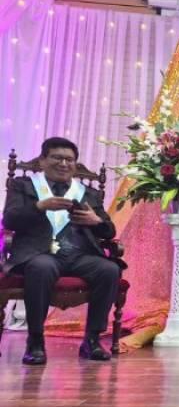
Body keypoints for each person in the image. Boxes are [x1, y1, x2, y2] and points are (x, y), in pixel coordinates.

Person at [2, 137, 123, 365]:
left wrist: (96, 221)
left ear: (75, 164)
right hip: (39, 252)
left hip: (79, 255)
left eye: (69, 160)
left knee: (109, 269)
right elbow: (9, 219)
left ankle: (92, 341)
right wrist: (39, 206)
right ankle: (35, 342)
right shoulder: (23, 186)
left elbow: (109, 231)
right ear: (42, 160)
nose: (64, 164)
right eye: (57, 158)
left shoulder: (87, 193)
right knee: (41, 267)